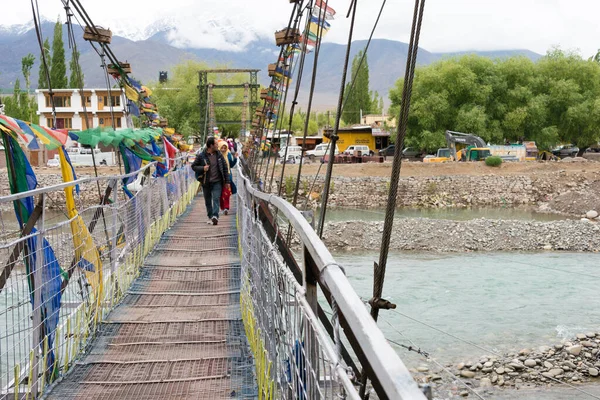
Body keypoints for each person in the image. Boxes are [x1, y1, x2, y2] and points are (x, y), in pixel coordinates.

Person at [192, 136, 230, 225]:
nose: (218, 145)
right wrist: (202, 168)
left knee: (216, 198)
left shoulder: (219, 155)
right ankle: (210, 216)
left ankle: (215, 216)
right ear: (211, 145)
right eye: (216, 144)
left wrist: (227, 182)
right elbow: (193, 166)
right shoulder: (201, 156)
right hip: (206, 182)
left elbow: (225, 168)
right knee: (208, 200)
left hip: (217, 181)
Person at [218, 139, 238, 215]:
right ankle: (222, 207)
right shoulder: (217, 155)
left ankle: (226, 207)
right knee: (220, 193)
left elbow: (231, 165)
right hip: (219, 177)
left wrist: (235, 158)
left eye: (224, 148)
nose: (223, 149)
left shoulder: (228, 154)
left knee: (227, 193)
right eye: (222, 148)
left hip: (228, 176)